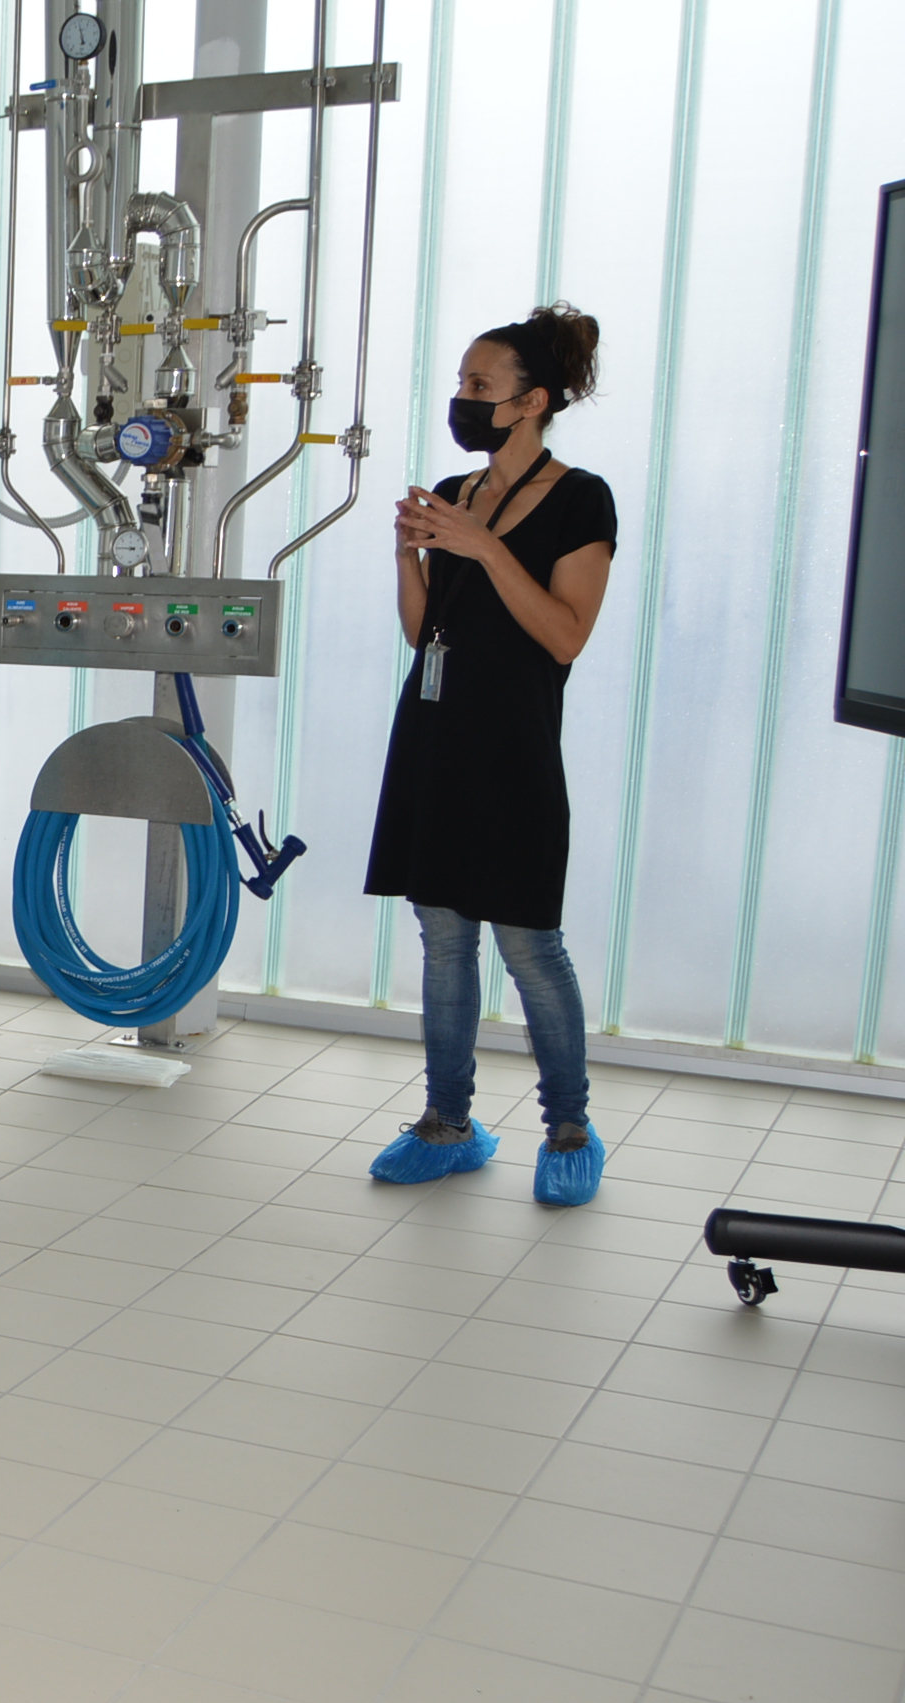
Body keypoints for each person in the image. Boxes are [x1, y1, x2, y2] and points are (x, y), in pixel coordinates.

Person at [368, 304, 618, 1209]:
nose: (464, 398)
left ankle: (570, 1127)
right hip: (434, 736)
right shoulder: (456, 491)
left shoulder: (581, 498)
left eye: (481, 385)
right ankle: (448, 1123)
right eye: (462, 382)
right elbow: (422, 631)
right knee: (443, 938)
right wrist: (412, 554)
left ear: (532, 401)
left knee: (528, 943)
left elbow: (564, 636)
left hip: (513, 750)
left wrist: (482, 546)